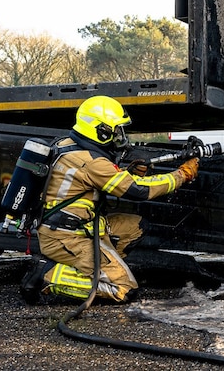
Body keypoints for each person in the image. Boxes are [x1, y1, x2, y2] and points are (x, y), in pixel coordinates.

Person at [20, 95, 199, 304]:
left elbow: (93, 179)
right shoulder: (92, 162)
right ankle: (47, 275)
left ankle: (103, 266)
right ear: (101, 130)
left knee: (135, 227)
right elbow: (139, 190)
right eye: (116, 131)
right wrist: (182, 175)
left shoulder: (68, 144)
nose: (120, 136)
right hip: (68, 238)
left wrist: (126, 171)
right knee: (124, 290)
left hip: (73, 228)